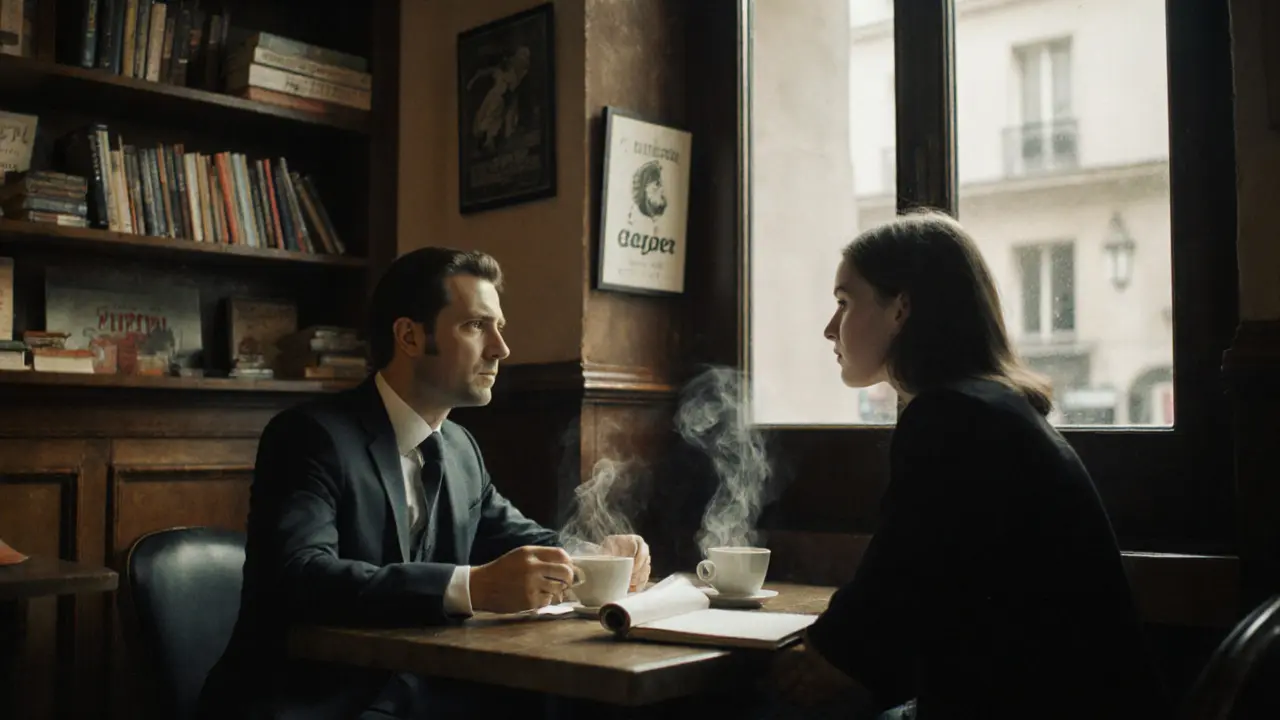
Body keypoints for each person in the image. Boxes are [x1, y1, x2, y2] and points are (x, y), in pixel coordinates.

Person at [197, 247, 651, 720]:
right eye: (475, 326)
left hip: (421, 697)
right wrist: (470, 587)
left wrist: (597, 559)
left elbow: (521, 540)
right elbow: (301, 575)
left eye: (499, 327)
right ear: (409, 336)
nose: (501, 348)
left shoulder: (460, 449)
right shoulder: (310, 437)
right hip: (312, 703)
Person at [767, 210, 1170, 719]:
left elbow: (893, 587)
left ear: (900, 310)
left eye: (844, 303)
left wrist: (824, 656)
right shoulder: (988, 407)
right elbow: (914, 586)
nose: (830, 328)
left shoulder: (950, 417)